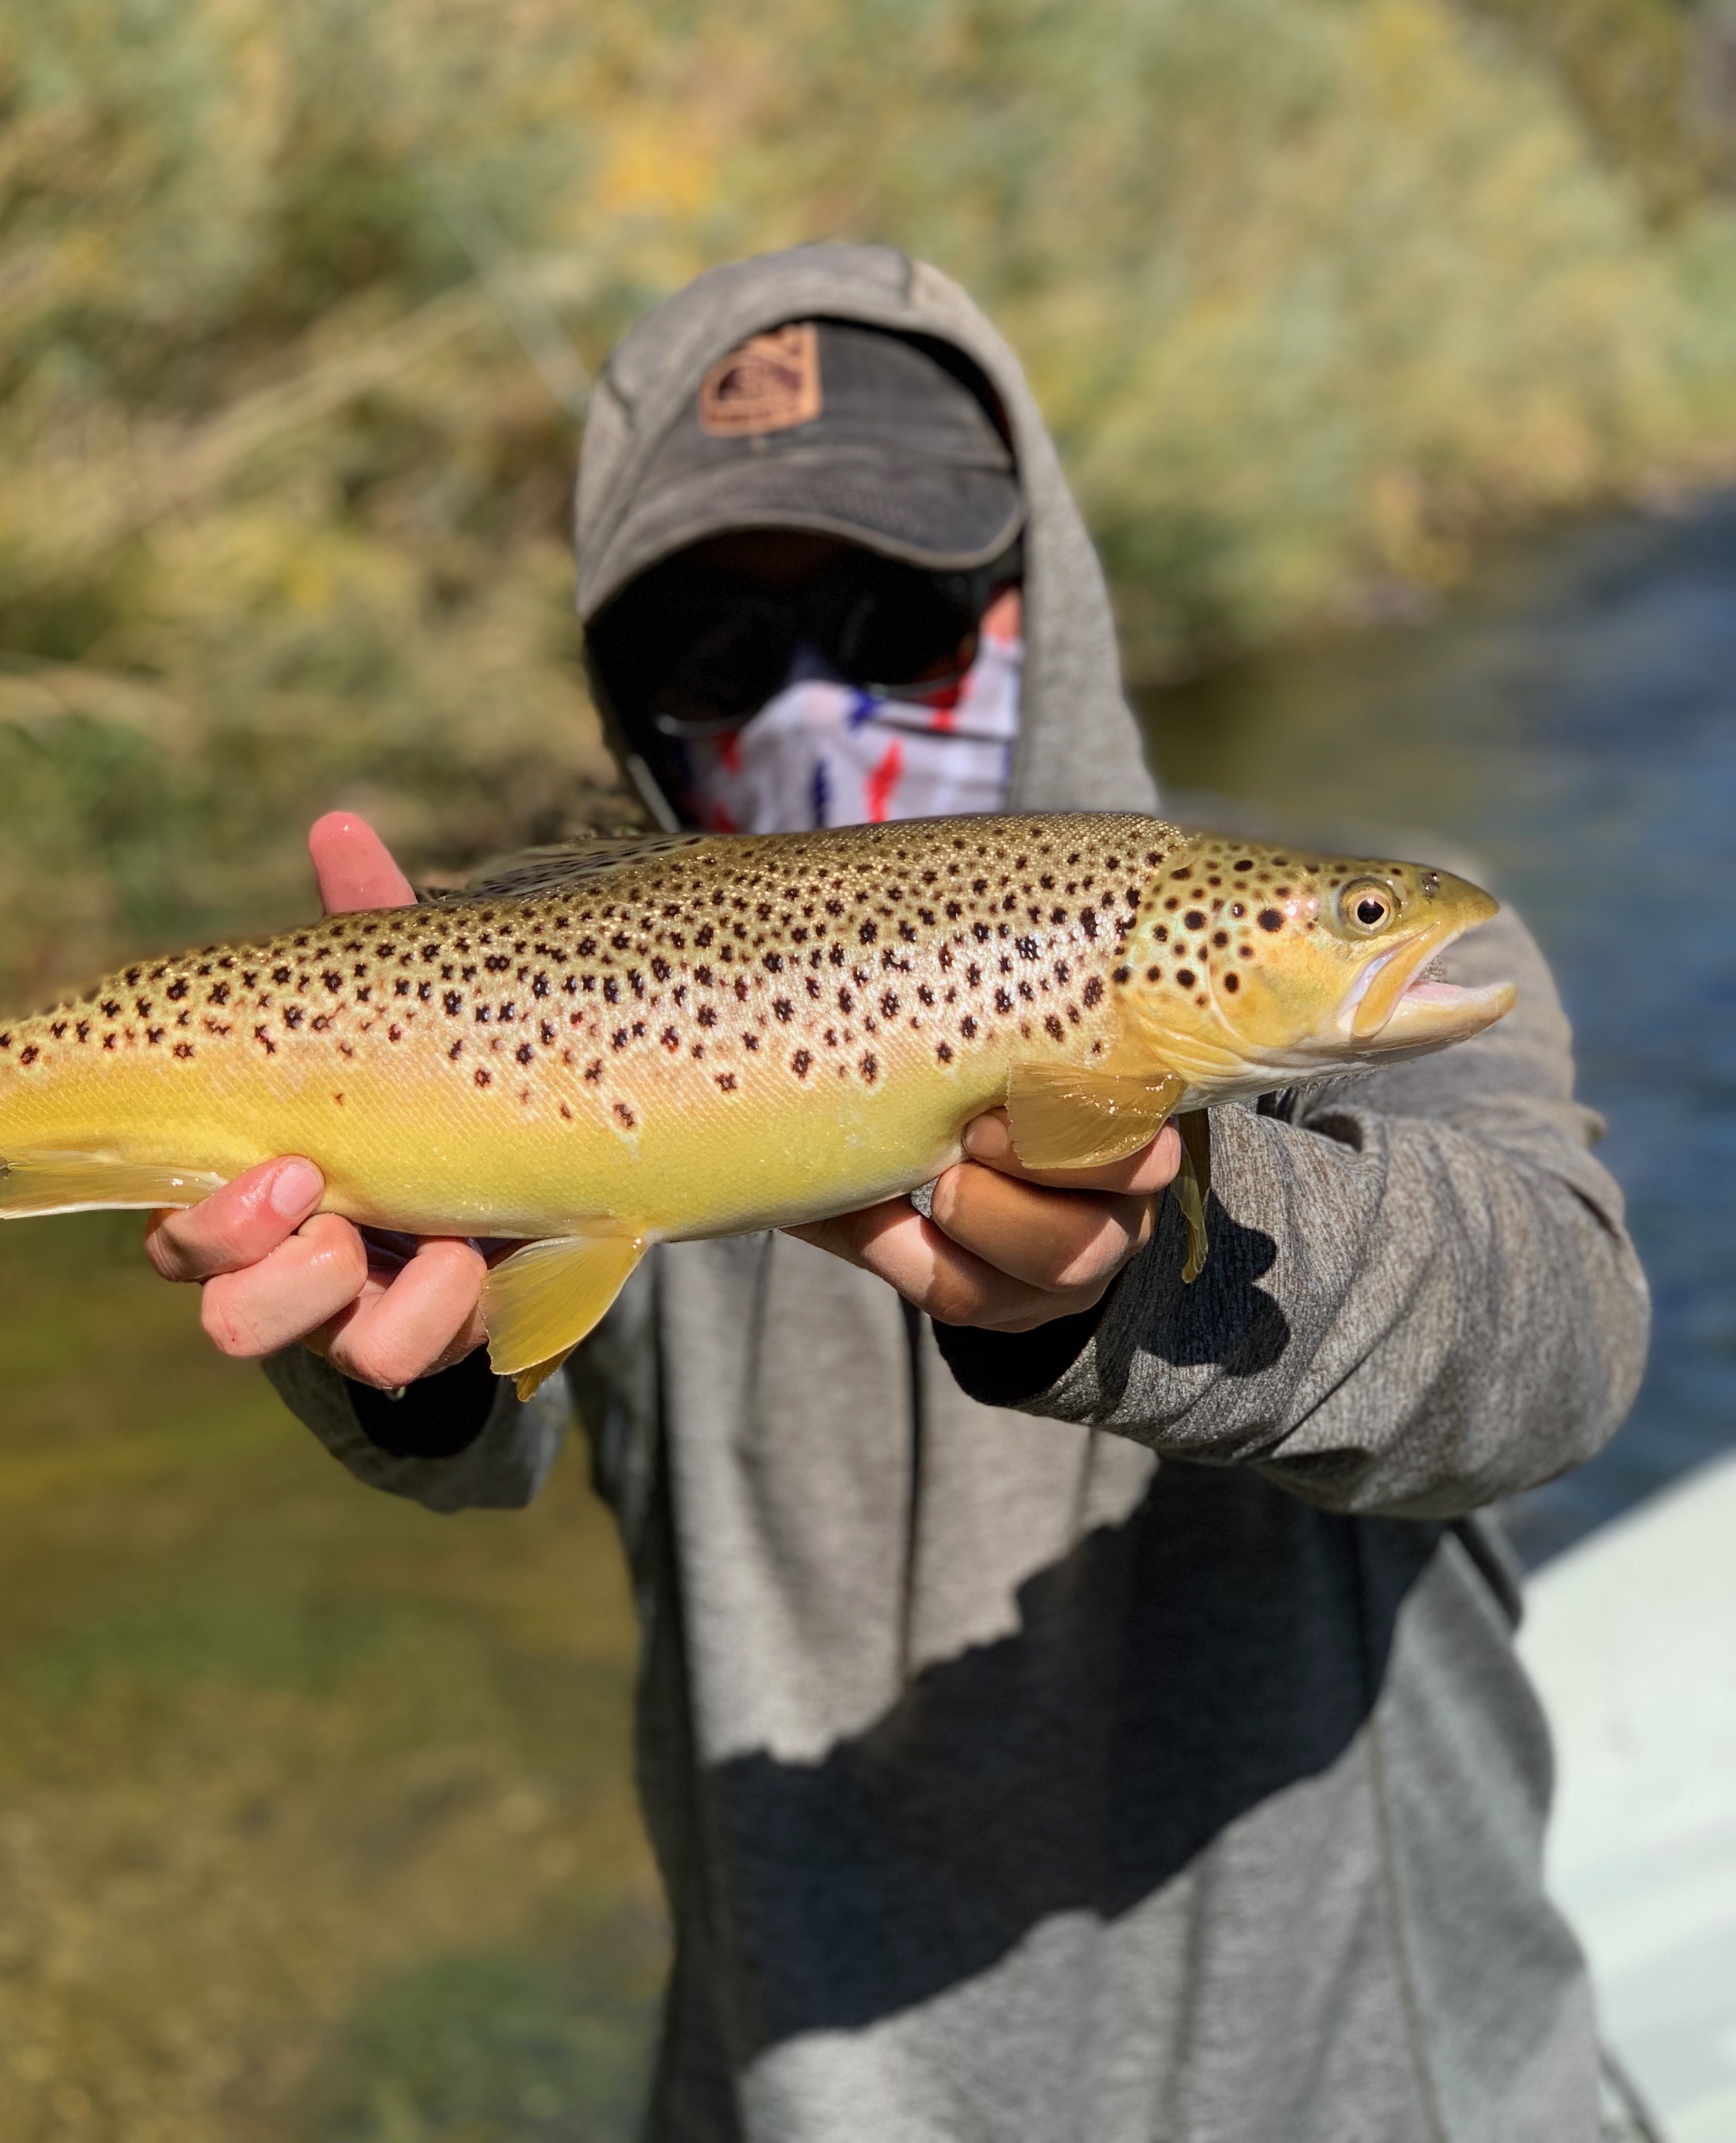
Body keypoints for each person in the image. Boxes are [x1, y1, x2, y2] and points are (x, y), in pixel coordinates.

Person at [145, 244, 1648, 2142]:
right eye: (712, 651)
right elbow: (485, 1435)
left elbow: (1561, 1349)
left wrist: (1143, 1279)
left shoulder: (1414, 924)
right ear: (628, 695)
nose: (806, 702)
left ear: (1046, 599)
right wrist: (403, 1364)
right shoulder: (596, 1025)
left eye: (899, 613)